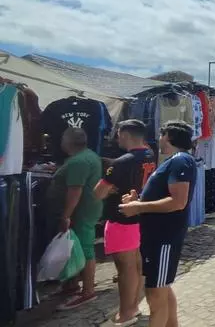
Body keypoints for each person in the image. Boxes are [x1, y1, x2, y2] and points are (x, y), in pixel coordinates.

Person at [118, 121, 197, 327]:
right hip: (158, 237)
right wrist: (139, 200)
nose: (158, 139)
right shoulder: (175, 161)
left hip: (164, 238)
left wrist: (139, 207)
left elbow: (178, 201)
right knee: (162, 288)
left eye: (161, 135)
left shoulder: (180, 162)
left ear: (169, 136)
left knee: (155, 294)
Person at [94, 120, 155, 326]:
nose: (116, 137)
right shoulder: (149, 154)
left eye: (118, 133)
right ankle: (133, 307)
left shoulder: (120, 162)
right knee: (135, 264)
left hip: (121, 218)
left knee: (125, 268)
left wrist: (111, 184)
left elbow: (98, 193)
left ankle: (126, 313)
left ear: (124, 134)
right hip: (140, 216)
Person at [55, 127, 103, 311]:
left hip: (81, 211)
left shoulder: (78, 161)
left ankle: (88, 291)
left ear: (67, 142)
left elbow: (75, 190)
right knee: (75, 246)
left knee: (85, 248)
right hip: (88, 208)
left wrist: (65, 215)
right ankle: (72, 284)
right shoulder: (89, 155)